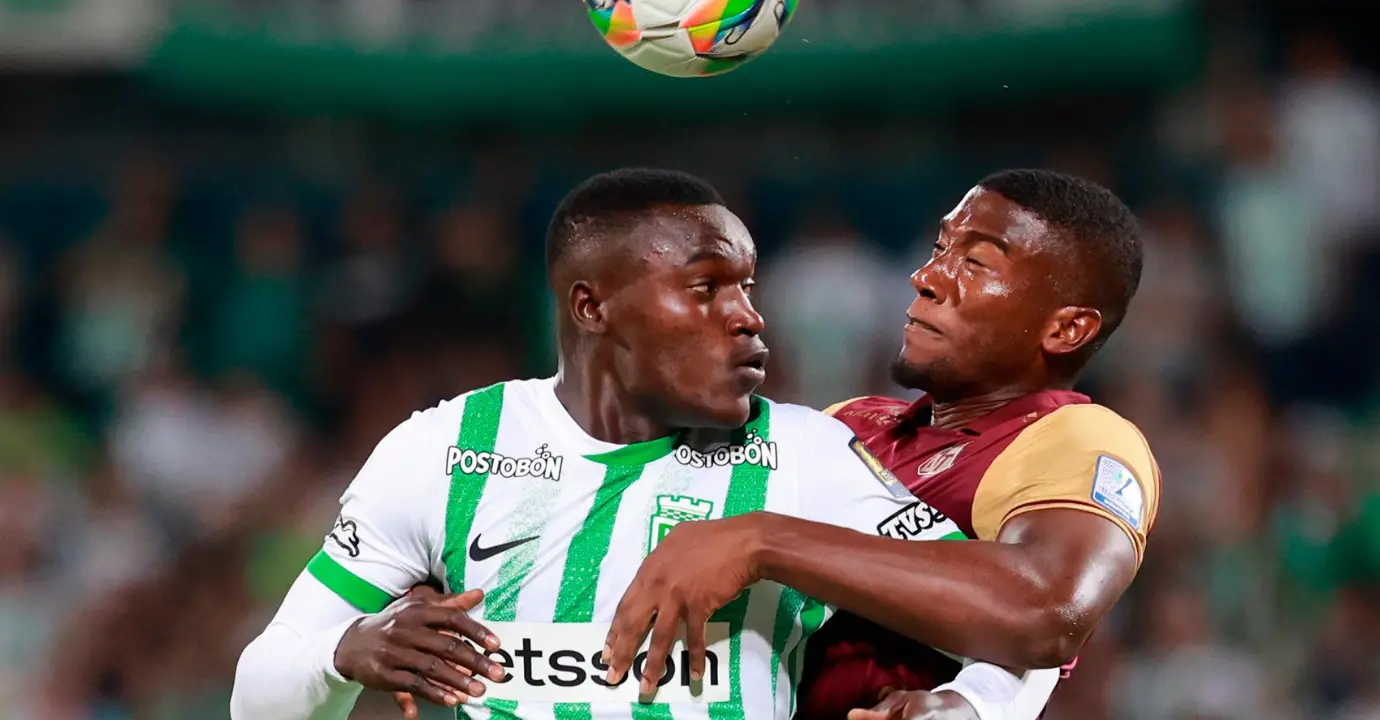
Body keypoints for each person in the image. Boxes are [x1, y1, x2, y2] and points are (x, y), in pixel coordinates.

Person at [230, 169, 1058, 720]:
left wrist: (971, 706)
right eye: (705, 289)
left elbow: (1024, 626)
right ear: (592, 308)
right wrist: (345, 653)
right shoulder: (446, 450)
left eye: (746, 287)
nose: (748, 317)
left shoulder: (806, 458)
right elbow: (258, 690)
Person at [600, 169, 1160, 720]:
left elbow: (1048, 610)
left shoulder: (1074, 437)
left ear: (1066, 330)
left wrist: (765, 542)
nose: (927, 275)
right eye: (941, 248)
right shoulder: (845, 425)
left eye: (976, 262)